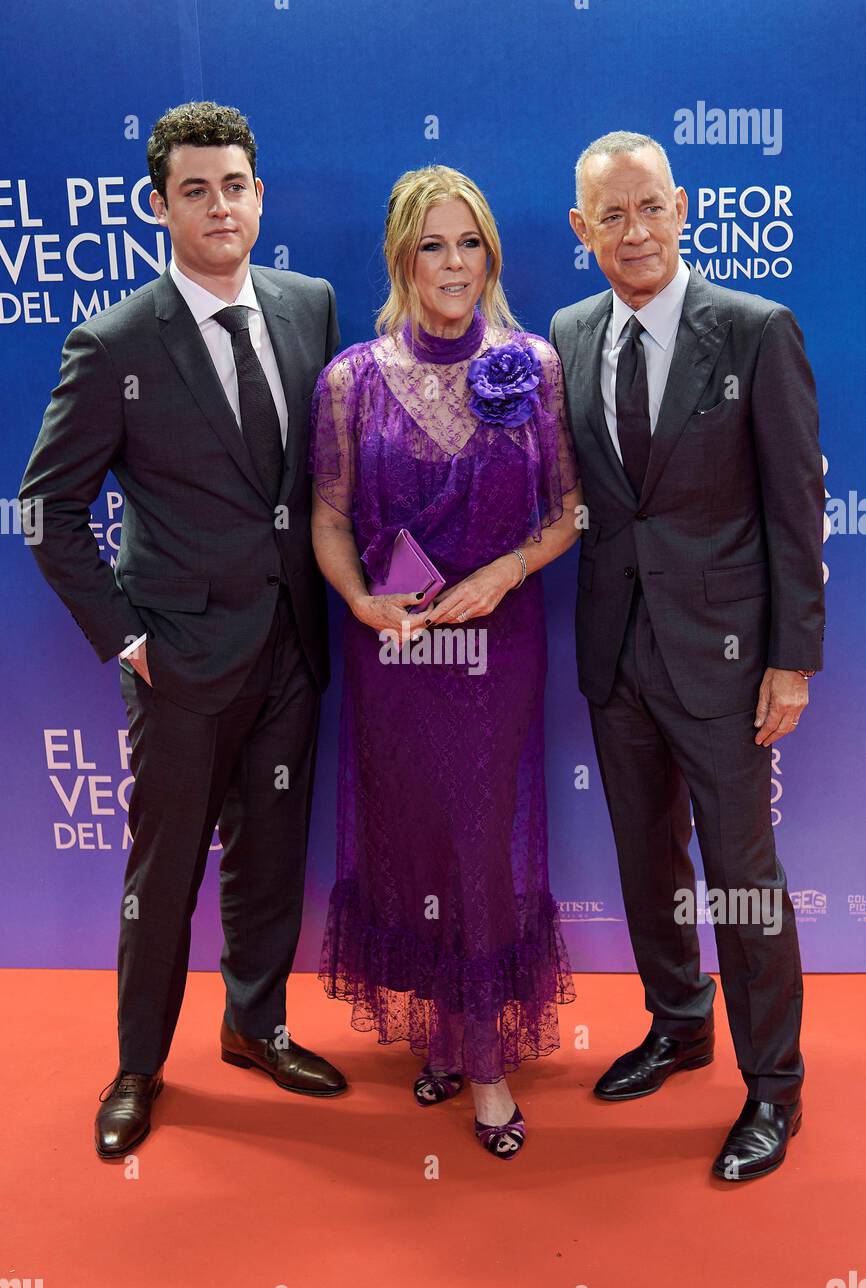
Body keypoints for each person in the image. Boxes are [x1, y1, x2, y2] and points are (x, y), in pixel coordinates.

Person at [19, 100, 347, 1160]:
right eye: (195, 189)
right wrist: (126, 638)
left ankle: (256, 1025)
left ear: (260, 194)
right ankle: (138, 1067)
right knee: (163, 876)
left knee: (271, 855)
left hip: (292, 649)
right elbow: (48, 510)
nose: (220, 205)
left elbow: (328, 477)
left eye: (236, 185)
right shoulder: (113, 342)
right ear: (157, 205)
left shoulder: (310, 306)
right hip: (178, 660)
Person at [550, 131, 825, 1181]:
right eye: (610, 216)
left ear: (682, 207)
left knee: (742, 877)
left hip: (723, 658)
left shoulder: (754, 332)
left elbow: (795, 508)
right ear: (581, 231)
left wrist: (788, 659)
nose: (634, 232)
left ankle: (773, 1087)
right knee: (644, 858)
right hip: (613, 650)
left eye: (650, 208)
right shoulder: (568, 333)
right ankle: (678, 1022)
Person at [309, 165, 582, 1159]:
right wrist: (357, 600)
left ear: (491, 256)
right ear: (400, 257)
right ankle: (442, 1031)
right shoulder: (349, 379)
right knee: (414, 839)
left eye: (468, 243)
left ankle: (484, 1062)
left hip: (494, 648)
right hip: (394, 650)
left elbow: (566, 514)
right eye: (433, 244)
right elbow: (329, 520)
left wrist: (505, 571)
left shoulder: (534, 366)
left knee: (479, 837)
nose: (453, 263)